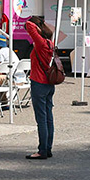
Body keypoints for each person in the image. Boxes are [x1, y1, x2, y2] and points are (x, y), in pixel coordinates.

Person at [24, 16, 56, 160]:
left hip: (39, 82)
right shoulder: (50, 43)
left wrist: (36, 25)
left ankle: (42, 150)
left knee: (41, 119)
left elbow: (29, 25)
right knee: (49, 117)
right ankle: (47, 148)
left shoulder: (41, 43)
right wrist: (40, 25)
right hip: (49, 83)